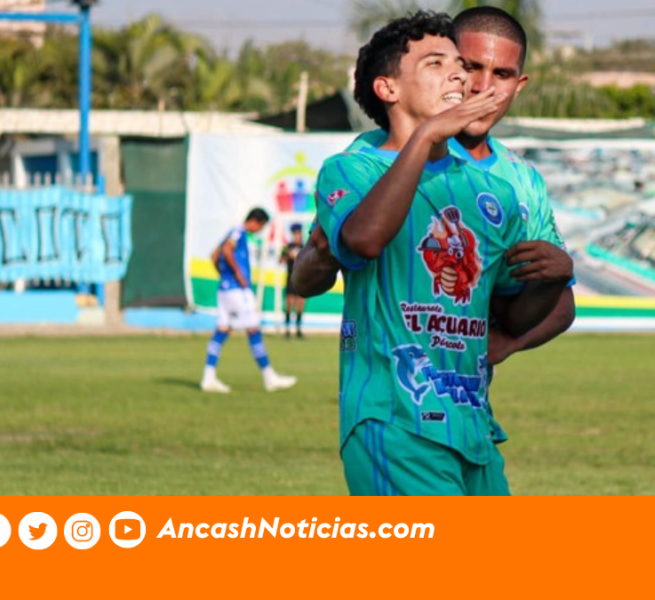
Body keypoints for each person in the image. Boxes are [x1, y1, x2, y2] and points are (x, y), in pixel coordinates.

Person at [293, 11, 572, 495]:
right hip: (395, 418)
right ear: (388, 89)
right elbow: (355, 244)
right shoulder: (354, 167)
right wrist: (427, 136)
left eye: (461, 67)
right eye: (441, 63)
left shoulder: (502, 191)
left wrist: (554, 278)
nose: (465, 78)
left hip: (472, 424)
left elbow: (512, 312)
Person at [201, 208, 297, 393]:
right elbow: (227, 250)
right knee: (253, 330)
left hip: (224, 290)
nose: (259, 230)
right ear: (255, 221)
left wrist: (224, 275)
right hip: (238, 291)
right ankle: (270, 378)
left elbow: (214, 256)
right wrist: (237, 273)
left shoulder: (232, 232)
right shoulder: (239, 232)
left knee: (222, 331)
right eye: (260, 226)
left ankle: (208, 377)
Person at [280, 223, 306, 338]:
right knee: (289, 303)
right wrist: (288, 256)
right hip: (291, 278)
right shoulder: (288, 247)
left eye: (299, 233)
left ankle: (298, 329)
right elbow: (280, 260)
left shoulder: (305, 247)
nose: (297, 235)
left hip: (302, 279)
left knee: (300, 303)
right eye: (295, 233)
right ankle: (287, 329)